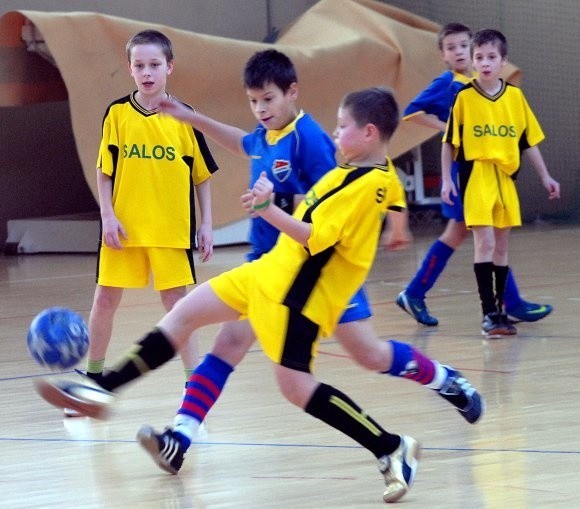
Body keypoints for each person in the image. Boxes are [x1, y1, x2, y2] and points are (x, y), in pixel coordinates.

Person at [35, 87, 484, 504]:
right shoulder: (351, 169)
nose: (335, 132)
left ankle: (392, 446)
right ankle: (102, 389)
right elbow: (272, 170)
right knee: (184, 315)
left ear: (368, 133)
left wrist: (270, 209)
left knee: (300, 384)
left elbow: (315, 238)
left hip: (297, 297)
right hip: (268, 270)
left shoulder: (365, 183)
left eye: (343, 125)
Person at [79, 30, 218, 401]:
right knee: (104, 301)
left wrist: (206, 223)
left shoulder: (186, 116)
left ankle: (194, 386)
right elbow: (104, 170)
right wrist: (108, 216)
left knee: (180, 308)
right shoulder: (118, 114)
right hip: (123, 228)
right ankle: (92, 378)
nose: (147, 72)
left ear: (169, 67)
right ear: (130, 69)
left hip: (170, 231)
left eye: (155, 64)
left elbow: (201, 175)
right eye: (139, 65)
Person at [396, 22, 554, 327]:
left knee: (472, 235)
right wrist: (450, 131)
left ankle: (417, 294)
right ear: (442, 54)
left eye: (463, 46)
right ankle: (508, 304)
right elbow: (412, 112)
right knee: (483, 237)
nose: (459, 52)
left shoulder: (482, 87)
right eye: (451, 47)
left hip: (488, 171)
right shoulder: (448, 84)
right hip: (465, 170)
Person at [441, 29, 560, 337]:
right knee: (486, 242)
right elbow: (448, 142)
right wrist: (446, 179)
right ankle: (488, 314)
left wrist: (546, 175)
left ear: (503, 61)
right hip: (477, 175)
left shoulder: (515, 97)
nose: (485, 62)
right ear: (473, 60)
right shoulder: (464, 96)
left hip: (505, 177)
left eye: (491, 57)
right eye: (478, 57)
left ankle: (501, 312)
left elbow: (528, 141)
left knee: (502, 246)